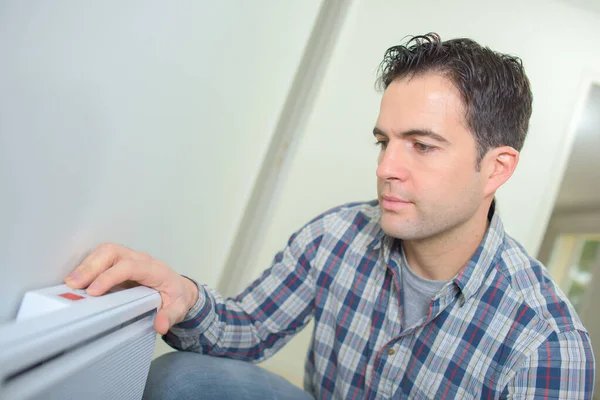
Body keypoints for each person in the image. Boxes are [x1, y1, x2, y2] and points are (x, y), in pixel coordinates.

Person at [65, 33, 595, 399]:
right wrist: (181, 295)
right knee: (183, 379)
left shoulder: (547, 343)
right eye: (384, 141)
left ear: (496, 169)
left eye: (423, 146)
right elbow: (247, 328)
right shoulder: (338, 235)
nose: (387, 167)